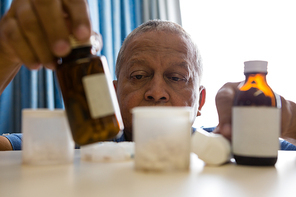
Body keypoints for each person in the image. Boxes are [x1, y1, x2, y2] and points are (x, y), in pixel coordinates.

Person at [0, 0, 296, 151]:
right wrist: (6, 54)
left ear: (200, 100)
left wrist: (286, 118)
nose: (156, 91)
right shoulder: (75, 145)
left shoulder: (234, 144)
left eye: (177, 78)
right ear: (113, 94)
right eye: (139, 75)